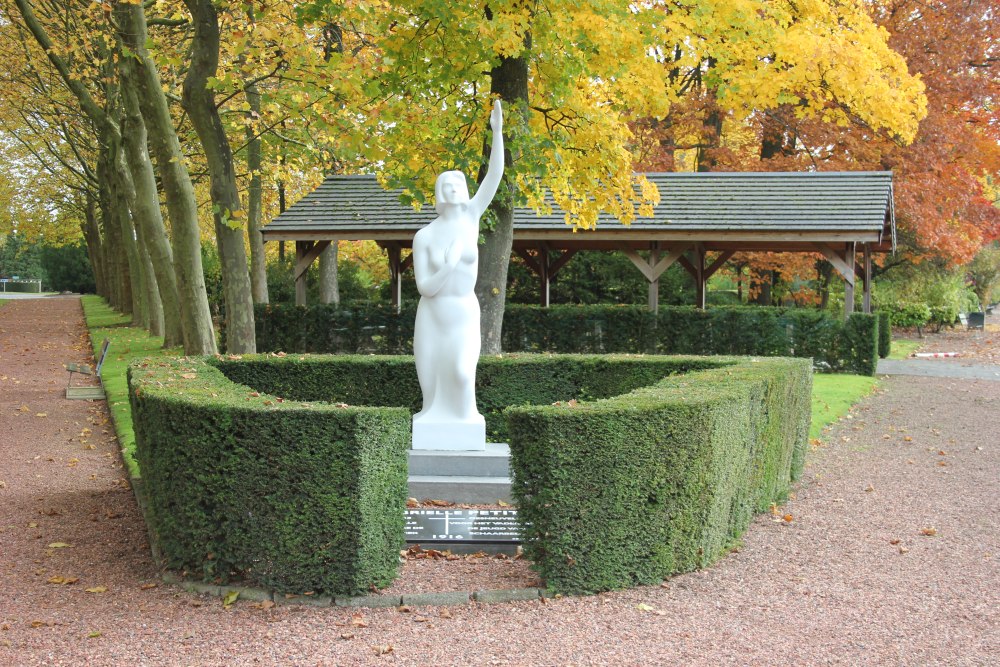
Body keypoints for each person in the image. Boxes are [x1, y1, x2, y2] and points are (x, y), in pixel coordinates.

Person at [411, 100, 504, 446]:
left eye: (458, 184)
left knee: (463, 375)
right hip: (433, 314)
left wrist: (497, 133)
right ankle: (434, 419)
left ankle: (467, 421)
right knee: (431, 385)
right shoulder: (425, 236)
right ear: (438, 192)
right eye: (446, 185)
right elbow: (424, 287)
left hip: (463, 312)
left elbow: (494, 177)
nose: (453, 189)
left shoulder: (471, 219)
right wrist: (448, 265)